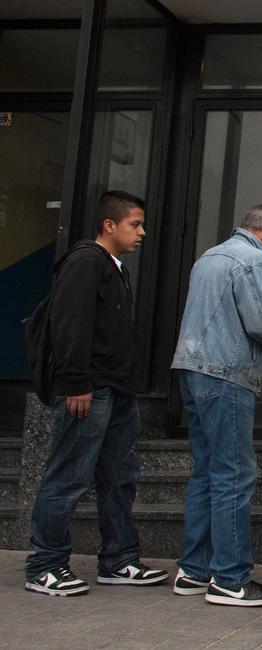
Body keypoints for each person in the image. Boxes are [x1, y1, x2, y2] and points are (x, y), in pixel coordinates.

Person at [25, 190, 169, 595]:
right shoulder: (85, 262)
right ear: (109, 225)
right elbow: (69, 324)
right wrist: (75, 382)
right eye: (134, 224)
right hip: (89, 390)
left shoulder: (114, 267)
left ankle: (119, 560)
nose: (141, 232)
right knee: (68, 477)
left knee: (119, 477)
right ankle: (45, 566)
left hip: (117, 390)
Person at [170, 204, 262, 605]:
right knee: (234, 474)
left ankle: (193, 570)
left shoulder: (209, 256)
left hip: (190, 369)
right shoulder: (253, 259)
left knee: (206, 471)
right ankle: (230, 578)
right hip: (225, 373)